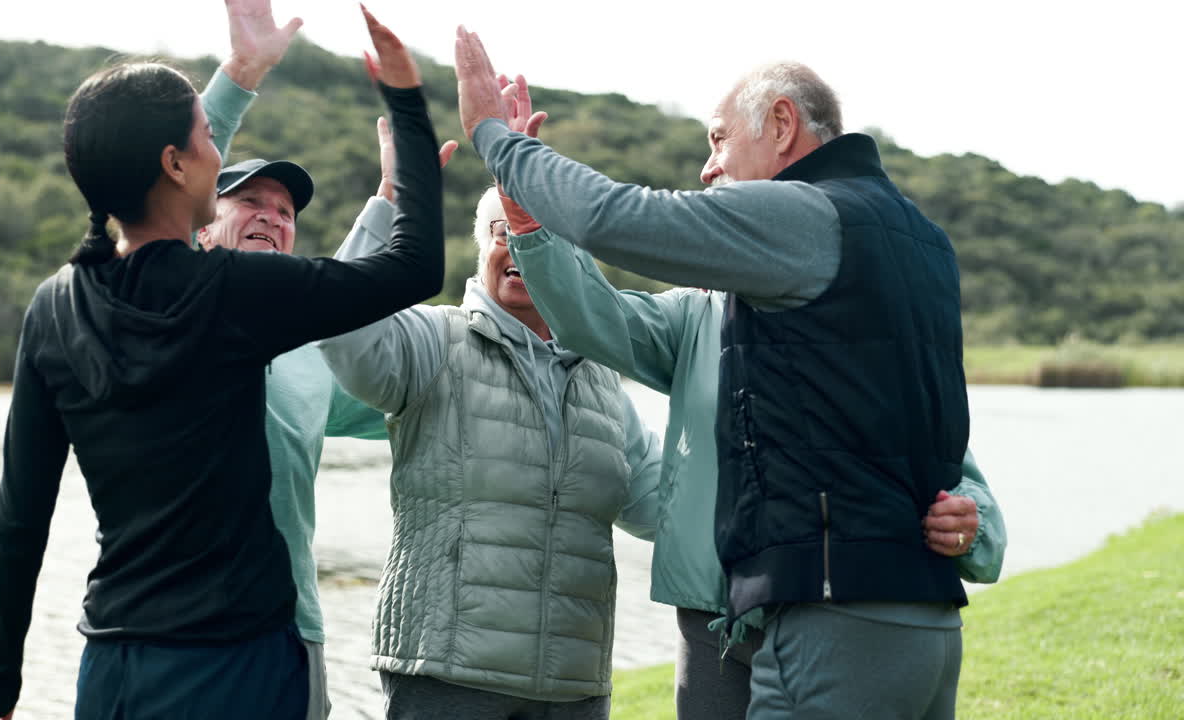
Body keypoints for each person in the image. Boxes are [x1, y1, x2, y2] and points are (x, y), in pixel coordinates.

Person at [455, 33, 978, 720]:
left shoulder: (808, 216)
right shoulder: (920, 241)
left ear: (783, 125)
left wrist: (498, 140)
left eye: (719, 140)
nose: (707, 168)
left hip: (827, 608)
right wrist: (529, 224)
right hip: (912, 616)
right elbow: (916, 421)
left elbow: (615, 218)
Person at [0, 6, 443, 719]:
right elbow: (414, 267)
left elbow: (20, 517)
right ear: (175, 162)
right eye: (206, 138)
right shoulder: (234, 294)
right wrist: (407, 101)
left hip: (113, 664)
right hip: (237, 662)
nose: (217, 150)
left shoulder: (55, 305)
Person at [320, 174, 662, 717]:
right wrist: (387, 204)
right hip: (447, 675)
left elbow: (660, 502)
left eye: (539, 233)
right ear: (483, 246)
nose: (519, 246)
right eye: (504, 231)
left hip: (571, 686)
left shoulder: (604, 377)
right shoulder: (435, 340)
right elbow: (341, 329)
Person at [194, 134, 455, 718]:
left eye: (285, 212)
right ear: (201, 227)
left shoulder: (310, 348)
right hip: (177, 627)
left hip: (287, 627)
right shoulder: (170, 313)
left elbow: (405, 381)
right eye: (249, 200)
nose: (271, 215)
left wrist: (394, 196)